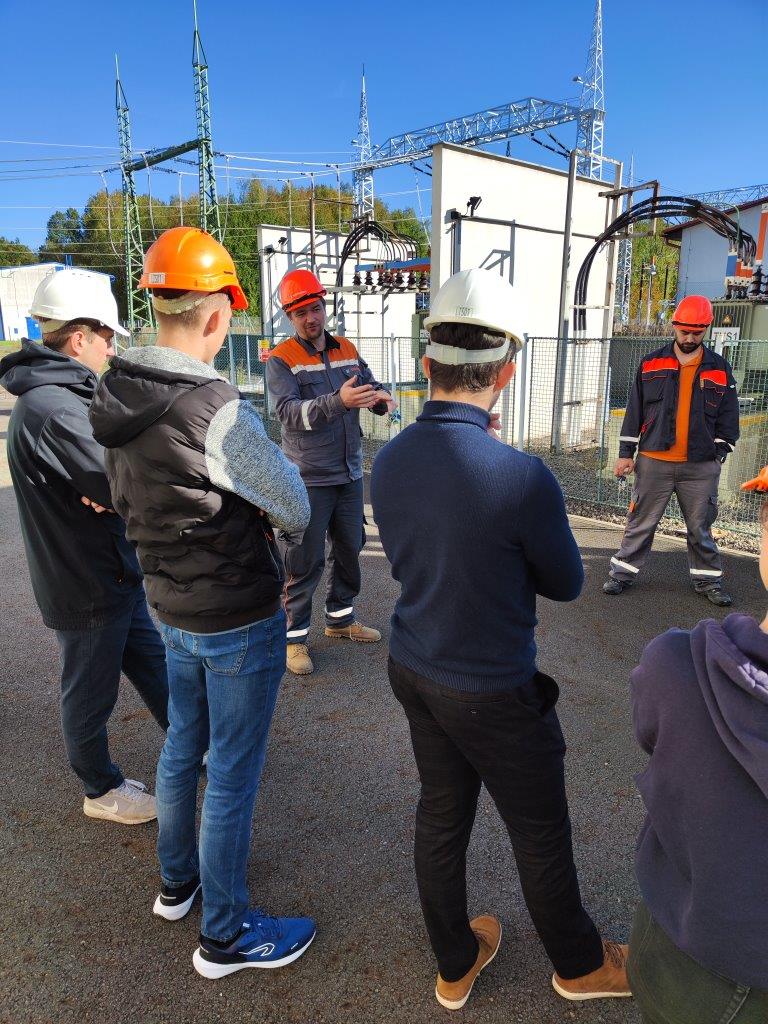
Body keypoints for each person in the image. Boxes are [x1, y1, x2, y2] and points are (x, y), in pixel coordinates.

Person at [371, 268, 631, 1010]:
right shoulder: (520, 476)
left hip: (413, 662)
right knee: (540, 831)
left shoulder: (388, 459)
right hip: (492, 686)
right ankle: (579, 966)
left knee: (441, 814)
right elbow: (566, 583)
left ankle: (455, 963)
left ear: (428, 363)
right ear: (507, 372)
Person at [89, 227, 315, 979]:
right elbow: (293, 504)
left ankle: (177, 884)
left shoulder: (114, 389)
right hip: (235, 614)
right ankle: (225, 935)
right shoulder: (213, 407)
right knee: (233, 774)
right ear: (217, 315)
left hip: (168, 603)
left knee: (184, 743)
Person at [0, 268, 168, 825]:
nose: (112, 348)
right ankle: (101, 789)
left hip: (109, 570)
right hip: (86, 581)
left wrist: (115, 485)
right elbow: (120, 482)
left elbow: (116, 474)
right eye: (107, 337)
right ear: (79, 339)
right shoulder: (53, 407)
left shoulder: (65, 395)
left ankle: (198, 744)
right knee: (90, 694)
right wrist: (117, 487)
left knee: (154, 665)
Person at [626, 463, 768, 1023]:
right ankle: (634, 566)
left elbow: (652, 736)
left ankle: (700, 572)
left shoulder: (675, 665)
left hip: (675, 941)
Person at [265, 269, 396, 676]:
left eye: (316, 308)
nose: (311, 318)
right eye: (301, 312)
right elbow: (288, 414)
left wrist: (380, 398)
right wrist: (339, 402)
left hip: (349, 474)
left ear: (325, 307)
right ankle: (293, 639)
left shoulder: (347, 349)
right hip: (307, 478)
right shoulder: (282, 359)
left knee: (350, 548)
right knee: (304, 560)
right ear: (290, 316)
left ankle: (340, 619)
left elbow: (368, 384)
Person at [603, 295, 739, 606]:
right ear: (674, 326)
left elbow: (729, 414)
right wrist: (625, 453)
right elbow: (635, 410)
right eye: (684, 331)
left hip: (700, 465)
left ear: (706, 330)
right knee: (640, 522)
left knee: (700, 527)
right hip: (654, 461)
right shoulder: (651, 363)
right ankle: (621, 574)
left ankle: (709, 582)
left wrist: (720, 450)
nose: (690, 338)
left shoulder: (720, 368)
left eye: (697, 333)